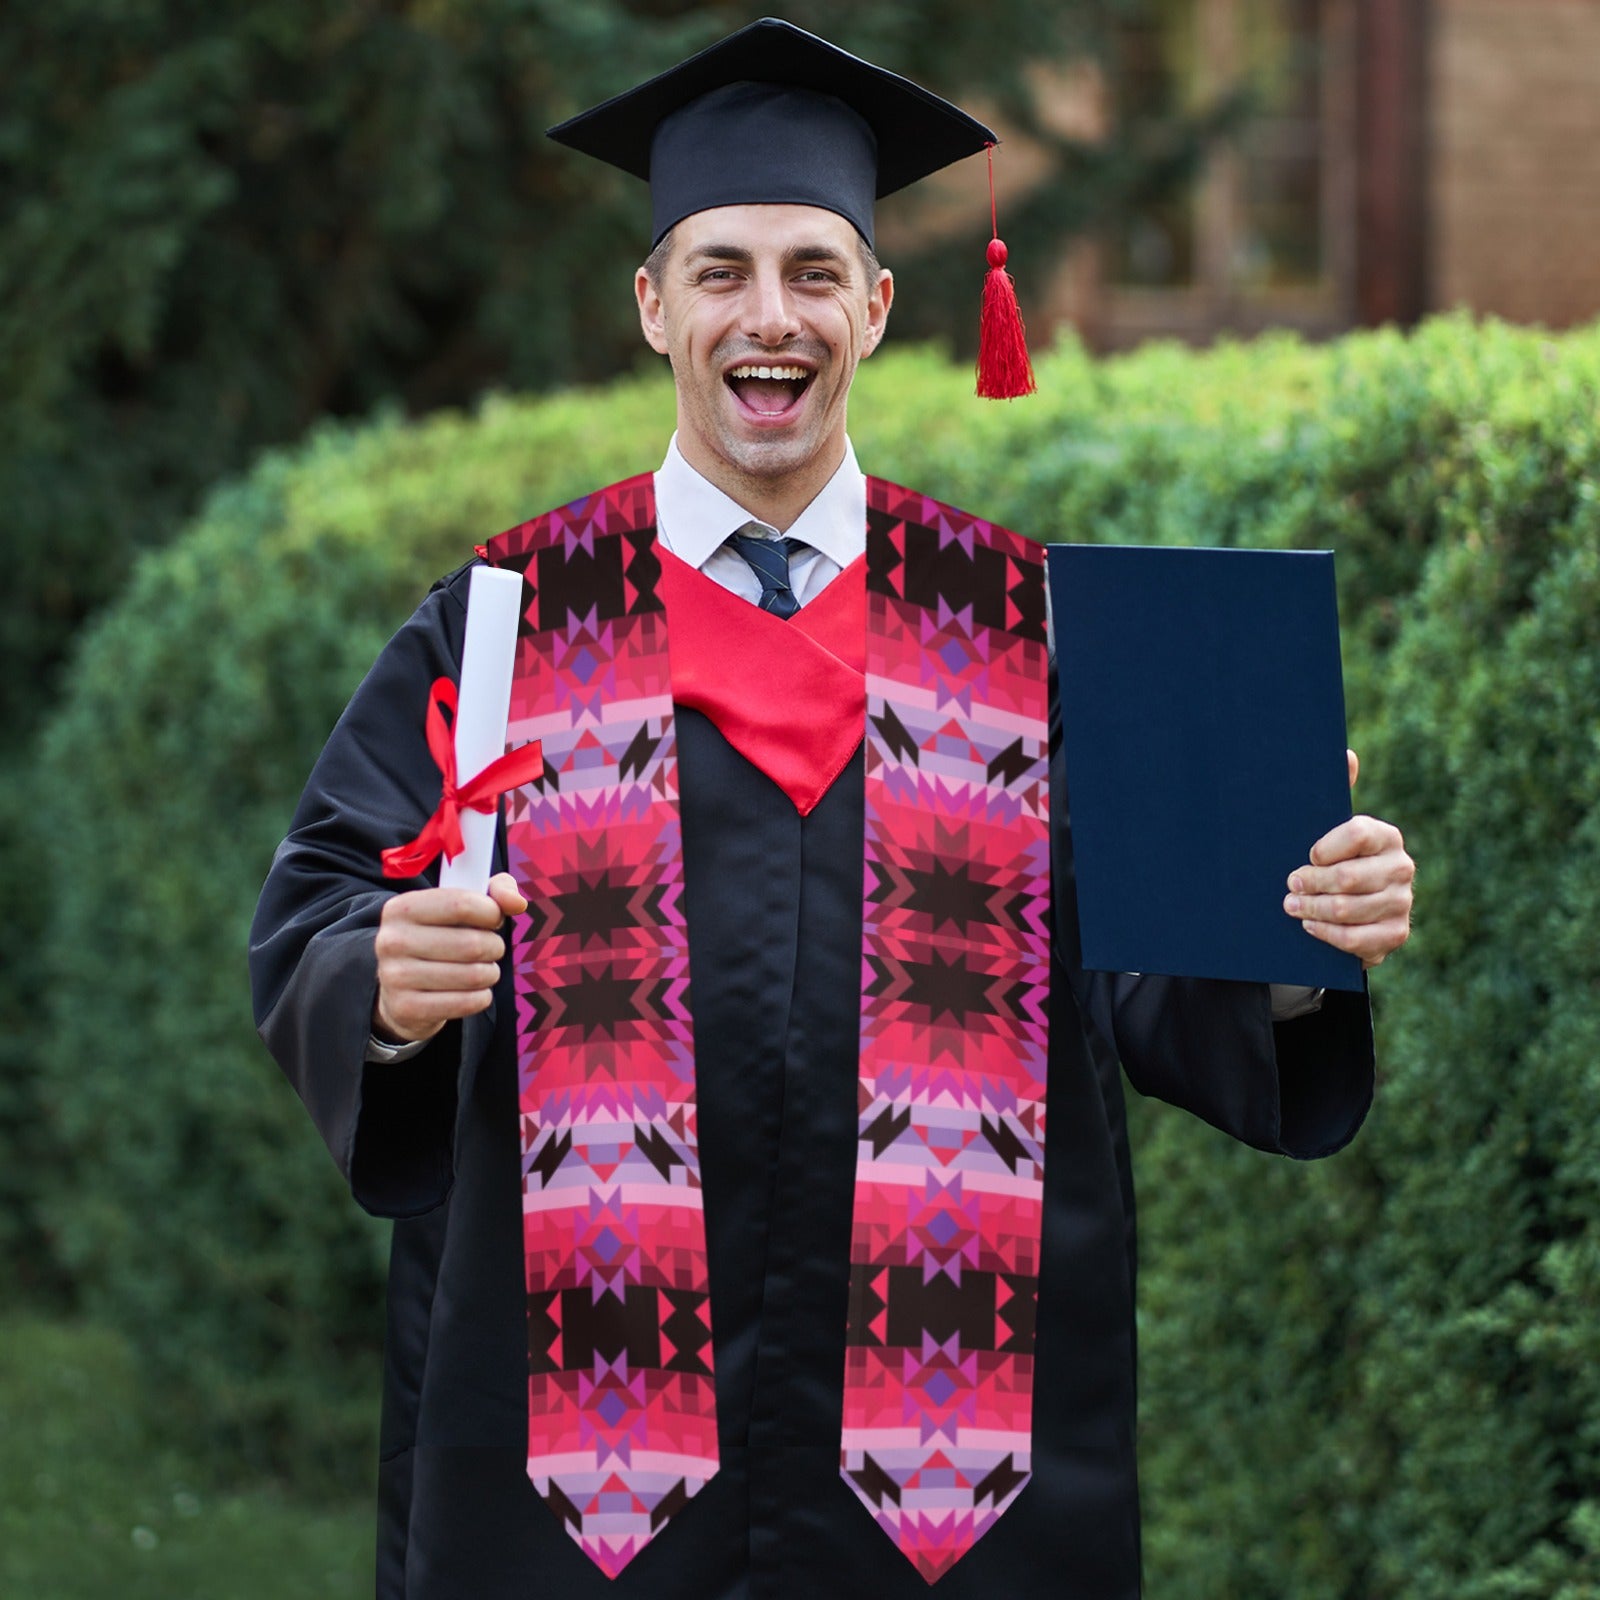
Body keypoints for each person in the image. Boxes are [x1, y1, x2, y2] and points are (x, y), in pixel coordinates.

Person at [249, 19, 1415, 1600]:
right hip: (582, 1482)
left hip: (954, 1480)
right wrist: (379, 982)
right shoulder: (513, 623)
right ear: (654, 305)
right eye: (721, 270)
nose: (768, 316)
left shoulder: (1025, 629)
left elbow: (1150, 978)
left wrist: (1292, 934)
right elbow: (323, 903)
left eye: (812, 271)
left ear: (876, 305)